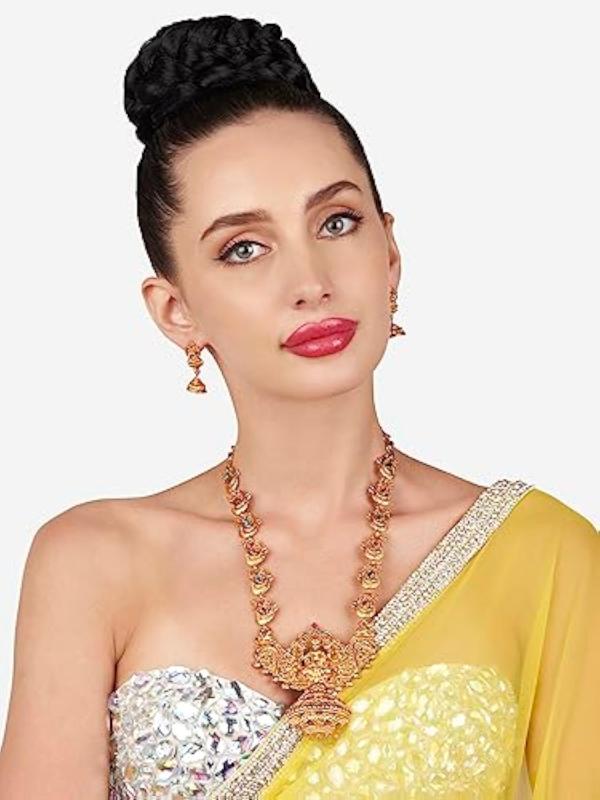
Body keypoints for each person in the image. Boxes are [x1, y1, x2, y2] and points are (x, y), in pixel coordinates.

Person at [0, 13, 598, 800]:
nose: (311, 280)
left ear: (390, 255)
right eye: (244, 248)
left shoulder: (542, 552)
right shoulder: (91, 562)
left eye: (336, 222)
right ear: (176, 310)